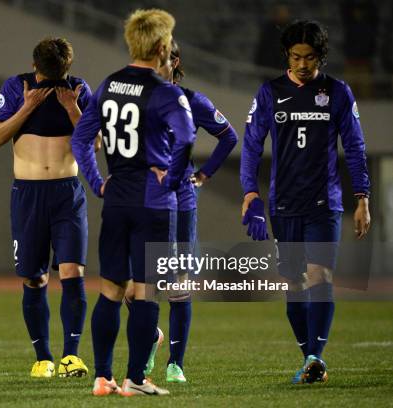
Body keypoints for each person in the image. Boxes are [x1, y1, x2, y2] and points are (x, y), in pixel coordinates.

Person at [72, 9, 195, 396]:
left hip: (116, 200)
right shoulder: (166, 92)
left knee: (110, 289)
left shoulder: (109, 85)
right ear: (161, 47)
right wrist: (173, 179)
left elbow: (80, 140)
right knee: (146, 291)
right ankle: (136, 380)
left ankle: (102, 377)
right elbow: (188, 137)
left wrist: (97, 183)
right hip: (153, 204)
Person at [240, 20, 371, 384]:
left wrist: (362, 197)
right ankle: (309, 358)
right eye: (296, 57)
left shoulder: (338, 93)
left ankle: (316, 355)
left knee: (320, 274)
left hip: (324, 203)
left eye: (310, 57)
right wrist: (250, 192)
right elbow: (251, 146)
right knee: (293, 283)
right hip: (283, 204)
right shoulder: (270, 92)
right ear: (287, 56)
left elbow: (356, 148)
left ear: (321, 57)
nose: (302, 64)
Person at [125, 39, 238, 383]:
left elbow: (229, 136)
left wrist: (203, 174)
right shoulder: (135, 100)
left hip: (181, 201)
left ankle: (176, 364)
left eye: (163, 59)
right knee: (134, 289)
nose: (156, 65)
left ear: (175, 62)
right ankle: (152, 338)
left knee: (178, 284)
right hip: (143, 201)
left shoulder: (192, 100)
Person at [0, 37, 95, 378]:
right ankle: (43, 357)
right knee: (34, 279)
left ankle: (71, 356)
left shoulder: (78, 89)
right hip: (28, 194)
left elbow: (95, 141)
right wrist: (28, 106)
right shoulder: (16, 87)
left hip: (67, 193)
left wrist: (71, 108)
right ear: (36, 67)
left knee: (72, 273)